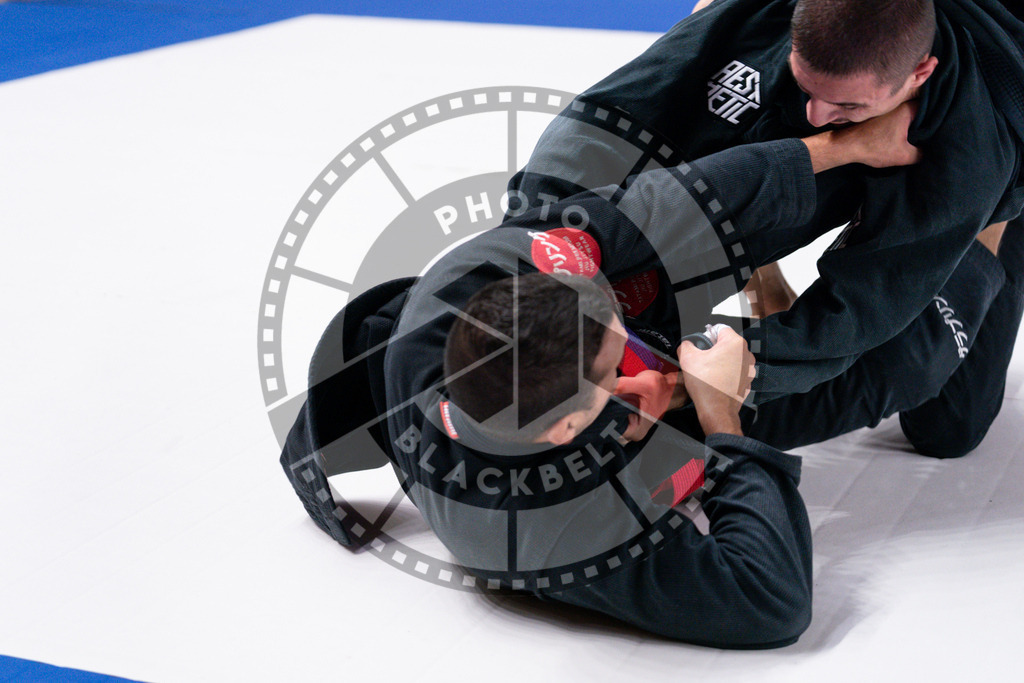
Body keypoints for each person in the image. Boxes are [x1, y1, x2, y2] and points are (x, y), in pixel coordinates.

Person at [279, 111, 1018, 647]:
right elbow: (770, 599)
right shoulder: (553, 533)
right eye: (623, 373)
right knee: (935, 415)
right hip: (612, 449)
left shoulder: (473, 283)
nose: (650, 374)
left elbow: (666, 209)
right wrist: (723, 418)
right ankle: (999, 208)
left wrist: (831, 149)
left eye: (623, 345)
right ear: (572, 431)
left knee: (654, 220)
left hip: (554, 357)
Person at [509, 0, 1024, 442]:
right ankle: (753, 267)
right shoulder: (762, 20)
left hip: (992, 151)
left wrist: (706, 378)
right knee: (607, 285)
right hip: (834, 72)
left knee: (947, 424)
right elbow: (596, 133)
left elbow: (852, 319)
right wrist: (542, 252)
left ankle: (996, 220)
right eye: (808, 88)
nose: (819, 114)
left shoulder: (971, 157)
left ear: (920, 73)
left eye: (844, 105)